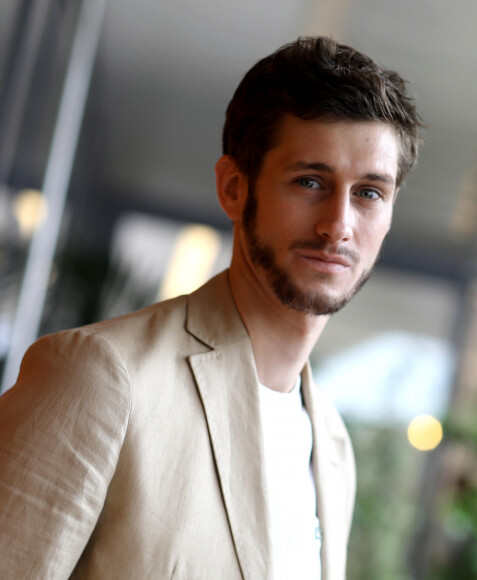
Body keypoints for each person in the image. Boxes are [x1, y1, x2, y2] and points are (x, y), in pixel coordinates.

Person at [0, 36, 422, 579]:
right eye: (310, 182)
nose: (338, 225)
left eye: (369, 193)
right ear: (233, 187)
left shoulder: (333, 445)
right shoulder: (103, 377)